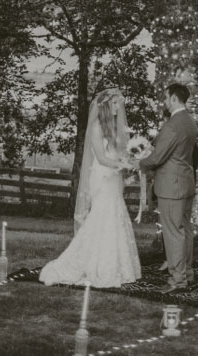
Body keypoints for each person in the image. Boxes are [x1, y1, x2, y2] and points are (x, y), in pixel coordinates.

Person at [39, 87, 141, 288]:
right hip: (102, 176)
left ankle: (116, 264)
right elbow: (102, 158)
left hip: (113, 177)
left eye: (118, 104)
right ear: (104, 105)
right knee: (102, 216)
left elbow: (118, 152)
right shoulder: (96, 127)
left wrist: (130, 160)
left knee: (115, 215)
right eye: (113, 104)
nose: (117, 108)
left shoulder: (113, 127)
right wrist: (123, 165)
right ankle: (91, 263)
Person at [139, 82, 198, 290]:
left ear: (174, 98)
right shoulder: (189, 121)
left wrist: (138, 163)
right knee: (185, 230)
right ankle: (187, 274)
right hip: (186, 183)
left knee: (173, 233)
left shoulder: (172, 125)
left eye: (166, 97)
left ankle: (177, 280)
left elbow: (157, 157)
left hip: (172, 188)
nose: (164, 102)